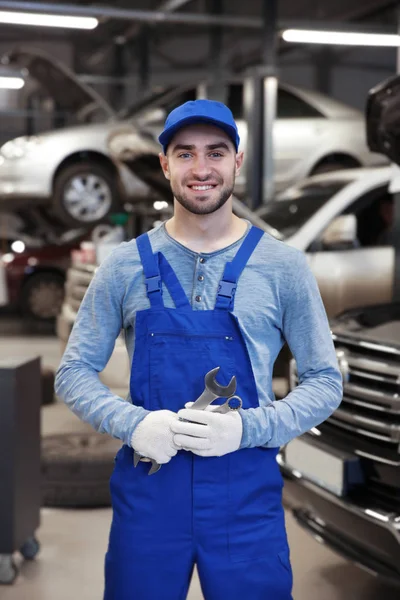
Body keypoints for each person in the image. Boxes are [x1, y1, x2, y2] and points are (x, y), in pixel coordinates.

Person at [55, 99, 343, 600]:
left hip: (245, 500)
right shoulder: (123, 267)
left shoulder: (283, 267)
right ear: (165, 164)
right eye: (185, 153)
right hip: (149, 494)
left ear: (237, 160)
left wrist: (247, 427)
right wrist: (134, 424)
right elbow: (73, 372)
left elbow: (325, 379)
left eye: (216, 151)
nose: (202, 168)